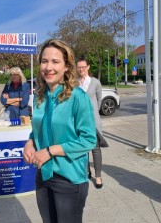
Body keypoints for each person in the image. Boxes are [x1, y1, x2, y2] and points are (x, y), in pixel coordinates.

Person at [23, 39, 97, 223]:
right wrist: (30, 142)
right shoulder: (39, 97)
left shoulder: (78, 97)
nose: (48, 67)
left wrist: (50, 151)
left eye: (55, 62)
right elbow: (37, 130)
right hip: (43, 174)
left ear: (66, 67)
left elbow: (89, 140)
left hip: (68, 177)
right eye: (44, 61)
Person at [77, 57, 108, 189]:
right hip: (79, 122)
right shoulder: (74, 83)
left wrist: (93, 112)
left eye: (83, 67)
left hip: (93, 121)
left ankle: (98, 175)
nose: (81, 69)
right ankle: (86, 171)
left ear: (88, 67)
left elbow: (100, 99)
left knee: (95, 149)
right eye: (79, 67)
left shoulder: (95, 82)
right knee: (83, 149)